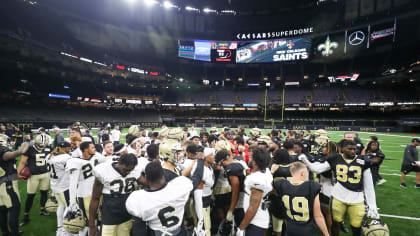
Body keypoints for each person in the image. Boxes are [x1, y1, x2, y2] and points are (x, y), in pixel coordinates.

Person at [300, 140, 378, 236]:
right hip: (338, 197)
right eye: (350, 149)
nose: (353, 151)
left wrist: (372, 205)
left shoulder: (363, 161)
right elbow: (317, 169)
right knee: (335, 224)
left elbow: (368, 185)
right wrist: (305, 161)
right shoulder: (335, 158)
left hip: (357, 198)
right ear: (342, 149)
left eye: (354, 149)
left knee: (356, 226)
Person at [125, 160, 204, 235]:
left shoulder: (138, 199)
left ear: (147, 178)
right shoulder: (180, 187)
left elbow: (139, 232)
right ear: (163, 174)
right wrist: (200, 160)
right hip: (178, 231)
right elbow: (197, 177)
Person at [89, 154, 140, 236]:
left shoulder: (135, 171)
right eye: (125, 170)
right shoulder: (104, 171)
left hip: (126, 216)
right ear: (119, 163)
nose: (128, 173)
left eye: (130, 170)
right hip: (109, 216)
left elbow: (149, 184)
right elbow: (95, 198)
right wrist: (91, 224)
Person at [273, 162, 329, 236]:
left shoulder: (282, 185)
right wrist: (326, 233)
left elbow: (271, 188)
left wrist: (272, 172)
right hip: (307, 231)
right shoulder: (311, 186)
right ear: (302, 173)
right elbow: (318, 216)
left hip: (291, 230)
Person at [66, 141, 107, 235]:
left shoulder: (96, 157)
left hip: (97, 194)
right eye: (92, 147)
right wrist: (72, 202)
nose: (95, 149)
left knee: (96, 219)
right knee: (86, 223)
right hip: (85, 195)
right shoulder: (75, 161)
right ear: (85, 149)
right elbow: (72, 183)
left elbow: (104, 160)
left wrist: (94, 152)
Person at [17, 134, 52, 226]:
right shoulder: (30, 148)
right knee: (30, 196)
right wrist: (18, 173)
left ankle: (42, 209)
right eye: (40, 144)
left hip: (45, 173)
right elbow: (23, 161)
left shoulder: (48, 147)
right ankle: (26, 216)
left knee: (44, 192)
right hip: (33, 175)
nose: (42, 146)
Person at [237, 148, 273, 236]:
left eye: (251, 157)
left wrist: (242, 227)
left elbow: (253, 207)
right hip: (257, 217)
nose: (249, 158)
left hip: (255, 220)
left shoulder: (257, 179)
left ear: (255, 162)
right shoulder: (266, 171)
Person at [0, 135, 29, 236]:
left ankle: (5, 232)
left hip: (1, 184)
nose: (10, 143)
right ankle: (14, 233)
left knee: (3, 210)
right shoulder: (2, 152)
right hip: (7, 185)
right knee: (14, 209)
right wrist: (26, 142)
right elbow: (18, 152)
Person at [46, 141, 72, 236]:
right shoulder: (66, 157)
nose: (70, 149)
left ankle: (59, 228)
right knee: (69, 207)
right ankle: (65, 231)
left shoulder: (49, 156)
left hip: (54, 186)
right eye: (69, 148)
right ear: (65, 148)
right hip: (64, 186)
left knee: (61, 206)